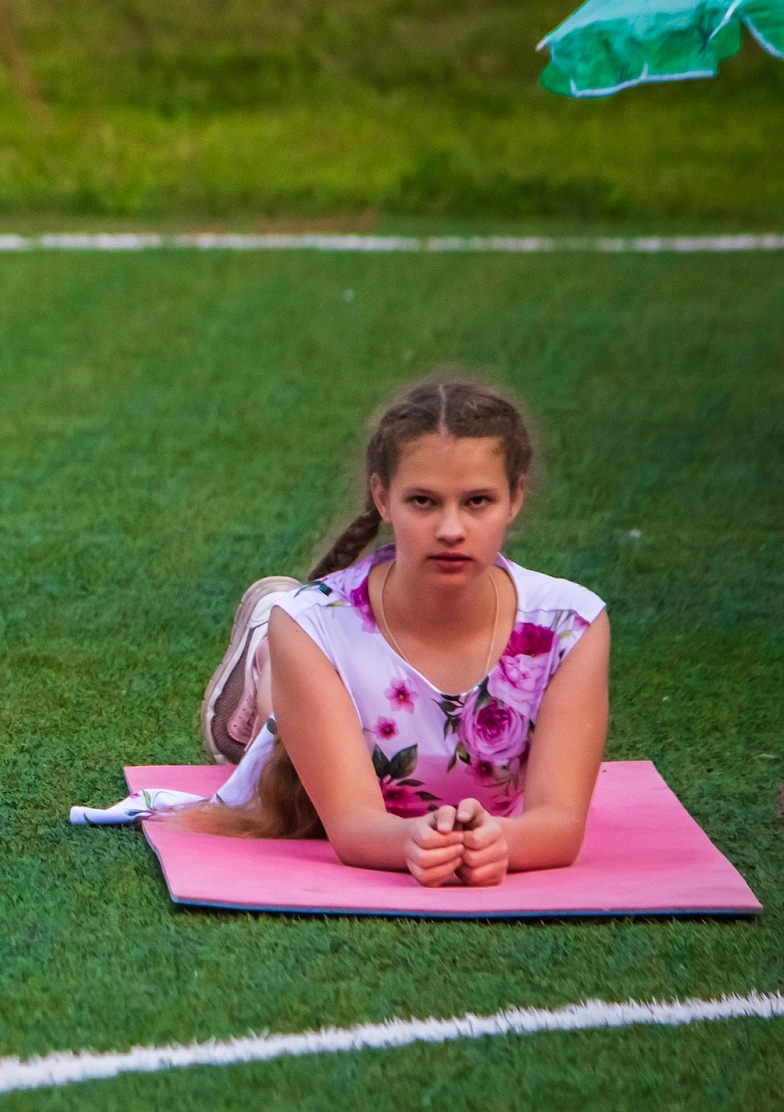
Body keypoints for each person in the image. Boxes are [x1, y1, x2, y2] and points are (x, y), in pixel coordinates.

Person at [96, 379, 610, 888]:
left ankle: (275, 650)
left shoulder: (572, 625)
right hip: (312, 651)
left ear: (515, 498)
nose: (451, 529)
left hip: (327, 649)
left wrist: (502, 844)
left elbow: (559, 824)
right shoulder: (313, 624)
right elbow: (352, 825)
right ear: (382, 498)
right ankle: (266, 647)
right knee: (286, 724)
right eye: (423, 501)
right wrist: (410, 842)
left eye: (477, 501)